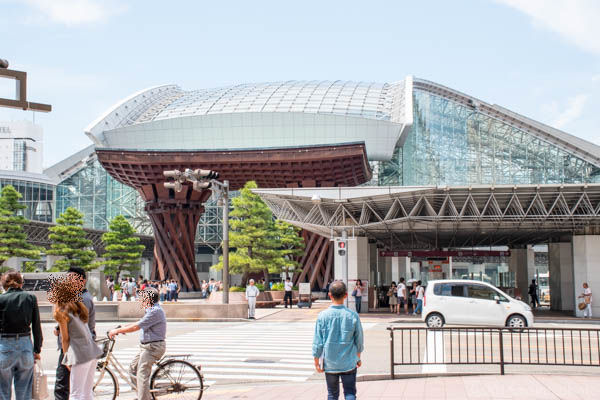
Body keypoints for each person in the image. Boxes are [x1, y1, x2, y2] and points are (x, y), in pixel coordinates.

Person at [109, 288, 166, 400]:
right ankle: (141, 394)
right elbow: (139, 323)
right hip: (146, 347)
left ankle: (143, 398)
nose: (140, 300)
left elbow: (137, 326)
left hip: (153, 348)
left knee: (142, 375)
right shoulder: (150, 310)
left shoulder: (155, 311)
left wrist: (118, 331)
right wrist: (123, 328)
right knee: (132, 369)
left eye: (142, 298)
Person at [312, 281, 363, 400]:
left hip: (330, 363)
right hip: (349, 361)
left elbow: (318, 342)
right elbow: (359, 340)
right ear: (346, 295)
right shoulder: (353, 315)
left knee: (332, 394)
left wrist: (316, 361)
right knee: (350, 393)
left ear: (330, 295)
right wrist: (358, 357)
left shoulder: (322, 316)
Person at [53, 279, 102, 400]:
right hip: (92, 351)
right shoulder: (78, 308)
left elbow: (65, 339)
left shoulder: (62, 312)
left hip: (80, 353)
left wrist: (66, 358)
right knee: (87, 392)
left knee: (75, 393)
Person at [0, 270, 43, 400]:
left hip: (4, 345)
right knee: (24, 392)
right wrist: (37, 349)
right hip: (25, 345)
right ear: (21, 283)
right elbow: (36, 326)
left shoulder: (1, 299)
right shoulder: (30, 298)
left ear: (4, 284)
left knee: (3, 390)